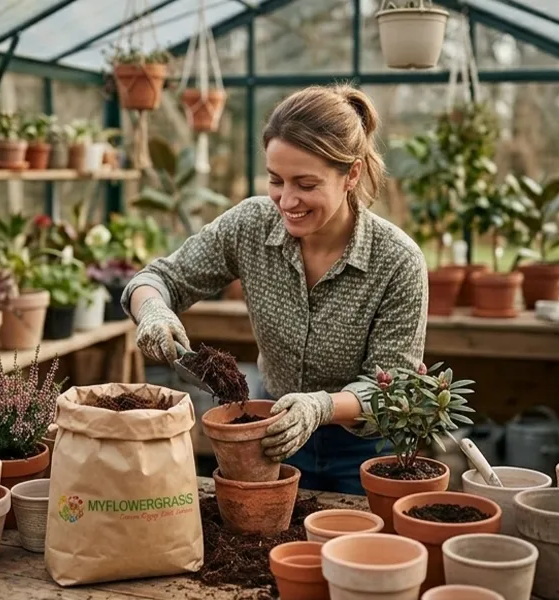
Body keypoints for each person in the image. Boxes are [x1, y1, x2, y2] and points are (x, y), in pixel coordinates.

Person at [120, 84, 428, 494]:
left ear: (351, 174)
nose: (287, 200)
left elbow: (392, 388)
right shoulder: (251, 225)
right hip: (269, 435)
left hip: (364, 452)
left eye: (305, 183)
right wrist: (154, 311)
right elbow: (155, 279)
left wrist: (320, 406)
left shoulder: (396, 261)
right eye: (276, 180)